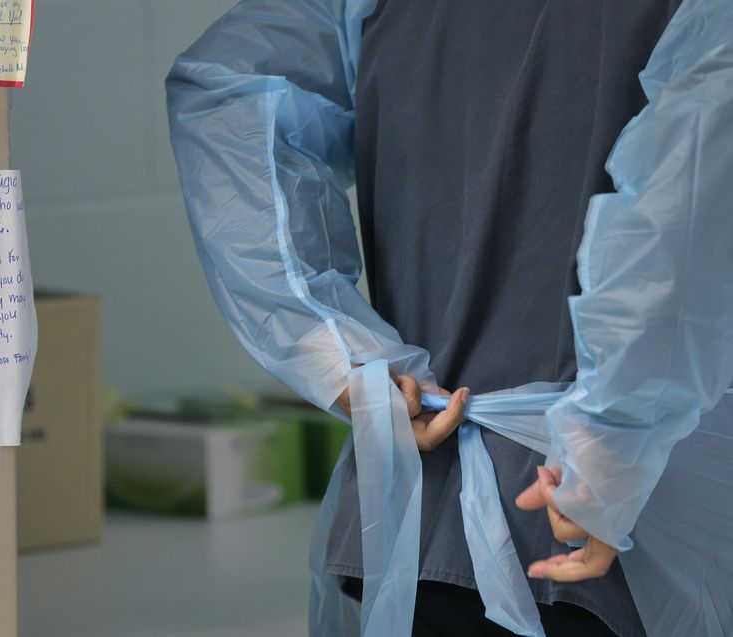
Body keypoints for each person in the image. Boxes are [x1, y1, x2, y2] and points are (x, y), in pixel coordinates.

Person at [166, 1, 733, 635]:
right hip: (604, 533)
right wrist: (612, 450)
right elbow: (682, 227)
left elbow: (227, 88)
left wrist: (340, 356)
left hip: (409, 525)